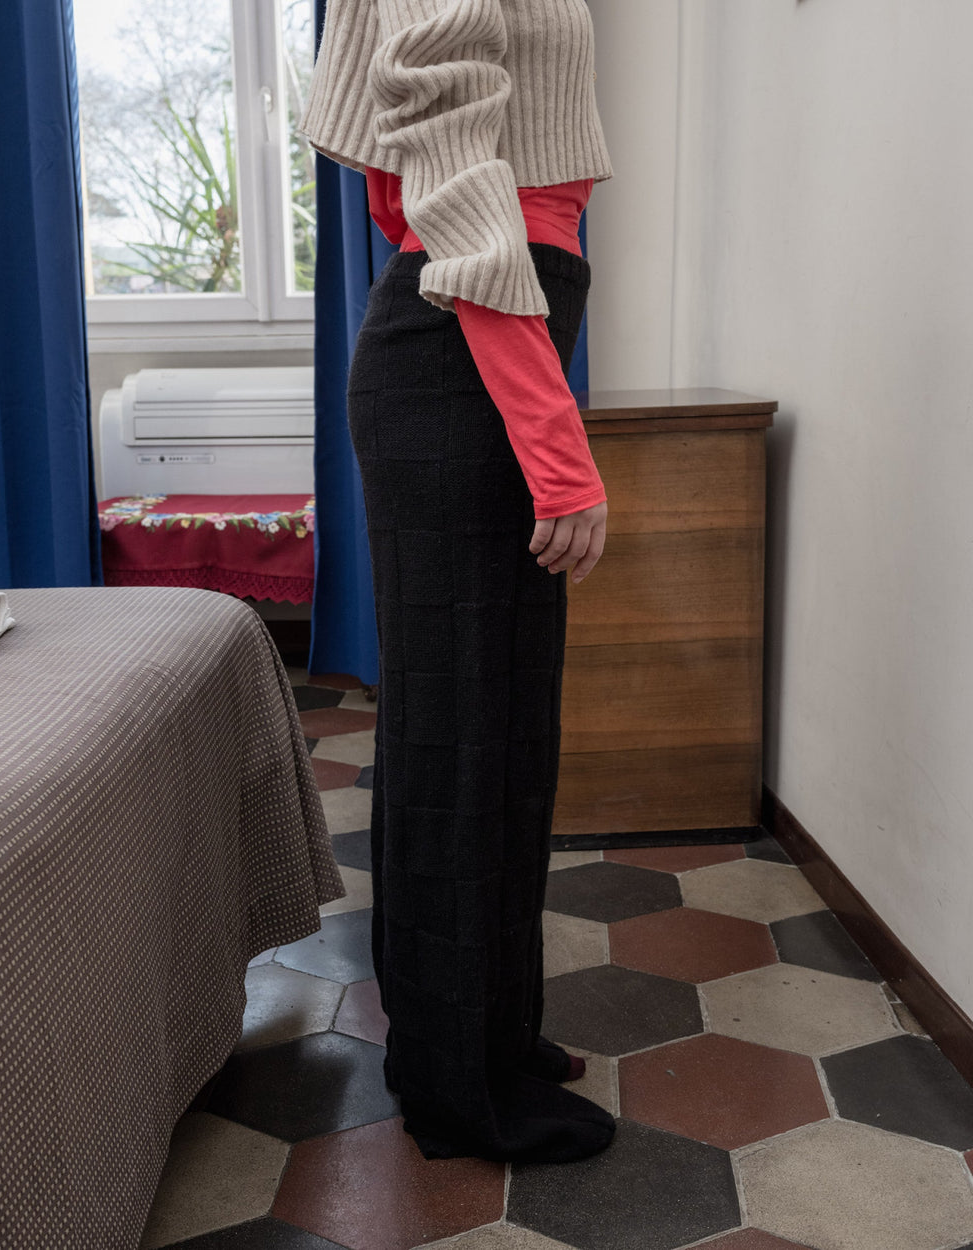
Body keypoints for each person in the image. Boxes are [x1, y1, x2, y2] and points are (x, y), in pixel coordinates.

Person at [300, 0, 615, 1164]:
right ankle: (453, 1082)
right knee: (458, 734)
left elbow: (401, 183)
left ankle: (490, 1028)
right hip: (463, 351)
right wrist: (555, 442)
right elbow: (440, 182)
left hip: (482, 336)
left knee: (507, 725)